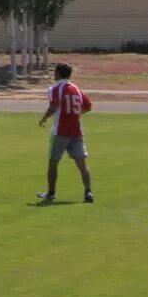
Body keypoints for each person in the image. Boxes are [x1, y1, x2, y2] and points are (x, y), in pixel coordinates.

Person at [38, 62, 95, 204]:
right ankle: (88, 192)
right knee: (81, 163)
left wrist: (44, 118)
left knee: (53, 162)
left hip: (60, 131)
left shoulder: (55, 88)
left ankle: (51, 193)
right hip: (76, 130)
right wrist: (75, 114)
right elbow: (88, 106)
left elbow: (54, 105)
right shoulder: (76, 88)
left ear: (57, 73)